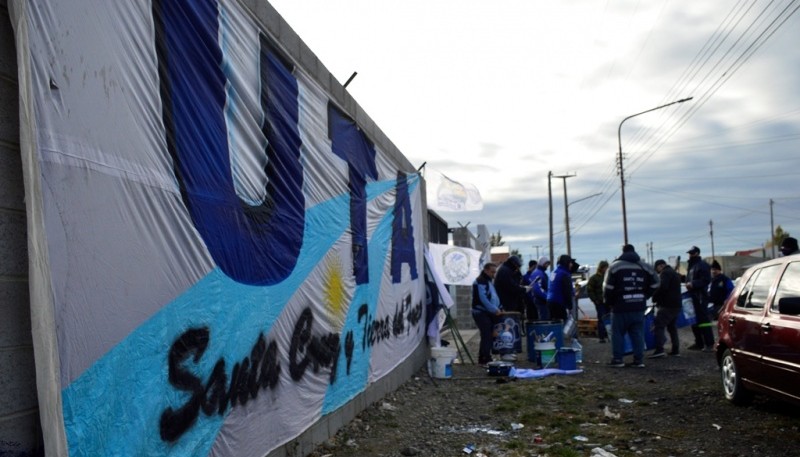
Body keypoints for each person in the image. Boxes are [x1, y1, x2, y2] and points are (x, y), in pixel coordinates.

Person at [603, 244, 659, 368]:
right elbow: (656, 282)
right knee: (638, 333)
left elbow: (607, 288)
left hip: (620, 307)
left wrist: (609, 302)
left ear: (622, 252)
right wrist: (645, 295)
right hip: (639, 306)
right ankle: (639, 360)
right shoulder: (645, 266)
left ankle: (618, 360)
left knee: (617, 333)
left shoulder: (615, 266)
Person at [649, 259, 682, 358]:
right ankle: (675, 350)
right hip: (676, 305)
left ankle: (659, 349)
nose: (658, 272)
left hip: (667, 305)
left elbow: (662, 287)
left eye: (657, 269)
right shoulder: (674, 273)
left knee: (658, 325)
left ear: (660, 266)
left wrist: (654, 297)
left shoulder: (665, 273)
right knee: (672, 327)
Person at [472, 263, 502, 366]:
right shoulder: (481, 281)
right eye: (492, 272)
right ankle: (485, 358)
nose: (494, 274)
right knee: (487, 335)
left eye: (495, 272)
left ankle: (483, 358)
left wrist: (499, 307)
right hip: (480, 311)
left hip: (487, 311)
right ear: (486, 270)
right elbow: (483, 298)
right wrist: (494, 309)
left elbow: (494, 297)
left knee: (487, 335)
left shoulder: (488, 281)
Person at [685, 246, 714, 351]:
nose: (690, 255)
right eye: (689, 253)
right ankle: (699, 343)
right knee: (693, 319)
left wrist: (693, 284)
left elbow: (706, 280)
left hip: (700, 296)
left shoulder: (702, 265)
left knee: (703, 320)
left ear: (697, 253)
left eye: (692, 253)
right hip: (693, 296)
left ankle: (709, 343)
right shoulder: (692, 266)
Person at [547, 255, 575, 322]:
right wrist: (570, 306)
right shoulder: (564, 274)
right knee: (562, 325)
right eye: (570, 263)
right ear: (566, 263)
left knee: (554, 324)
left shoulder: (553, 272)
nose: (571, 265)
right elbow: (567, 291)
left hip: (550, 301)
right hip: (559, 302)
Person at [587, 260, 610, 343]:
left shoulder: (609, 277)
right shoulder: (594, 278)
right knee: (601, 319)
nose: (606, 269)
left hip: (608, 302)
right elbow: (589, 290)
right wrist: (595, 300)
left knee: (610, 320)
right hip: (600, 302)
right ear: (601, 268)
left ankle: (609, 336)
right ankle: (601, 337)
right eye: (605, 267)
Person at [530, 256, 551, 320]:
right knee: (544, 319)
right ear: (542, 263)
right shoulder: (538, 273)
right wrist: (547, 297)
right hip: (541, 301)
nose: (547, 266)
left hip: (542, 300)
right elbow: (537, 288)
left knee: (546, 317)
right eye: (546, 264)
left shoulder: (541, 273)